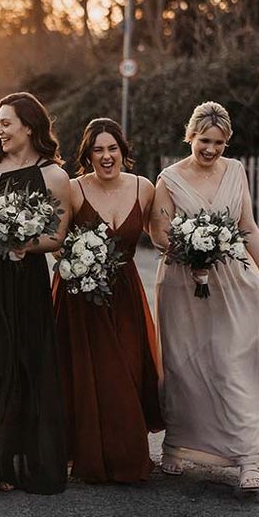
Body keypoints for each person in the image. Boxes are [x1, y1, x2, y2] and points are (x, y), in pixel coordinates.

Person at [149, 101, 259, 491]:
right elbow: (157, 232)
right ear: (190, 136)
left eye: (219, 143)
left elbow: (248, 226)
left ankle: (247, 457)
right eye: (204, 140)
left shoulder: (236, 171)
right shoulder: (168, 179)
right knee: (184, 363)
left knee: (231, 362)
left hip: (231, 281)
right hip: (181, 281)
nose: (211, 149)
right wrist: (189, 251)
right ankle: (178, 445)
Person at [0, 91, 71, 498]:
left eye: (6, 122)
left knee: (26, 362)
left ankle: (18, 461)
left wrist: (27, 244)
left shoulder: (54, 176)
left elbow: (57, 236)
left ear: (29, 125)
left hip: (26, 276)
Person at [52, 118, 163, 483]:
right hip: (80, 298)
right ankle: (86, 454)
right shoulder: (72, 189)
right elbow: (57, 243)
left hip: (125, 295)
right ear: (88, 154)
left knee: (127, 370)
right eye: (98, 150)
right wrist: (81, 261)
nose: (106, 156)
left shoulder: (144, 189)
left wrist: (198, 248)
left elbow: (160, 235)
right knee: (87, 374)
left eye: (112, 148)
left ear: (123, 152)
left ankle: (123, 453)